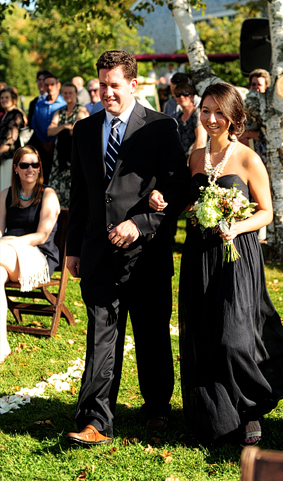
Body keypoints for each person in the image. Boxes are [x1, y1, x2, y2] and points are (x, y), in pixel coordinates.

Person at [149, 82, 283, 445]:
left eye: (219, 112)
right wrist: (164, 200)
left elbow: (268, 213)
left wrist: (236, 225)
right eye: (205, 111)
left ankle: (253, 406)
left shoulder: (248, 158)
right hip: (200, 256)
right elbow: (185, 204)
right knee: (203, 336)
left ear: (235, 117)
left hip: (237, 257)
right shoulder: (194, 157)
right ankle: (214, 414)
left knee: (233, 339)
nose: (210, 118)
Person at [65, 50, 189, 447]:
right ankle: (96, 421)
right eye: (101, 85)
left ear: (133, 84)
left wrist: (140, 224)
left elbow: (177, 189)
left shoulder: (160, 127)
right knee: (101, 337)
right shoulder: (84, 131)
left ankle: (157, 410)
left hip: (147, 254)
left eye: (114, 85)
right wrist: (72, 248)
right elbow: (81, 194)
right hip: (98, 253)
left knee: (151, 336)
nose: (106, 93)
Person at [0, 147, 62, 364]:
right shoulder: (6, 195)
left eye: (35, 164)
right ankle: (1, 346)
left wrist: (10, 242)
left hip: (38, 257)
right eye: (24, 165)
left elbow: (42, 236)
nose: (30, 169)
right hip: (7, 258)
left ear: (40, 167)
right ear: (15, 168)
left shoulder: (48, 194)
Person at [47, 82, 89, 208]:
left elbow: (75, 129)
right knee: (56, 189)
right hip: (59, 156)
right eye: (65, 93)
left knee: (74, 190)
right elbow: (49, 131)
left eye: (70, 93)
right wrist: (65, 126)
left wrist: (60, 128)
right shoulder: (60, 111)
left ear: (76, 94)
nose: (68, 95)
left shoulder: (81, 110)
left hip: (75, 154)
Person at [28, 73, 67, 184]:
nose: (49, 87)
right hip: (41, 148)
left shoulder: (64, 104)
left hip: (58, 149)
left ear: (58, 85)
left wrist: (52, 142)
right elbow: (34, 124)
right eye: (46, 85)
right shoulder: (39, 104)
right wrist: (44, 142)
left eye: (52, 84)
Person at [0, 87, 26, 193]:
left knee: (6, 189)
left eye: (7, 97)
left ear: (13, 99)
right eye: (1, 98)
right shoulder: (4, 115)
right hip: (1, 158)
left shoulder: (15, 114)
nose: (4, 100)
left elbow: (10, 139)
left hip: (9, 157)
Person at [174, 82, 207, 157]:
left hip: (195, 159)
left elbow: (201, 141)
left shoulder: (197, 113)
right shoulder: (179, 117)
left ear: (192, 97)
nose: (181, 97)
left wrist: (190, 161)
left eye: (185, 94)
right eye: (178, 95)